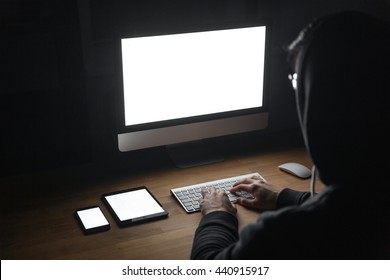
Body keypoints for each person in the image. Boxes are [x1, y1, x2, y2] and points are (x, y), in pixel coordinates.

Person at [190, 11, 390, 259]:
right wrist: (286, 197)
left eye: (298, 81)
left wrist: (217, 215)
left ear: (321, 104)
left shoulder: (292, 235)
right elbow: (356, 208)